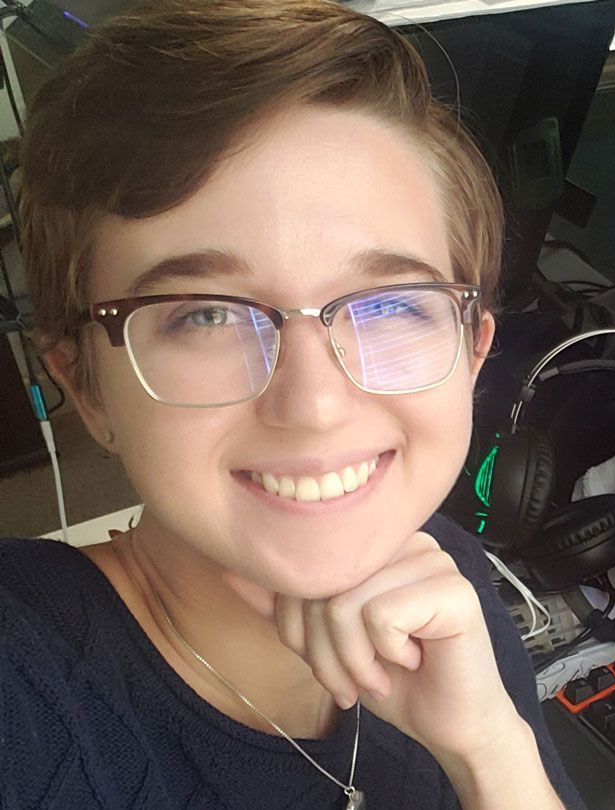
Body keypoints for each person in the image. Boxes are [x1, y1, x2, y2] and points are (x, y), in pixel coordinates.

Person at [0, 1, 583, 807]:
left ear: (472, 353)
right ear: (86, 387)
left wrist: (491, 754)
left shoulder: (443, 581)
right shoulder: (22, 687)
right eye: (205, 314)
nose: (311, 404)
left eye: (386, 304)